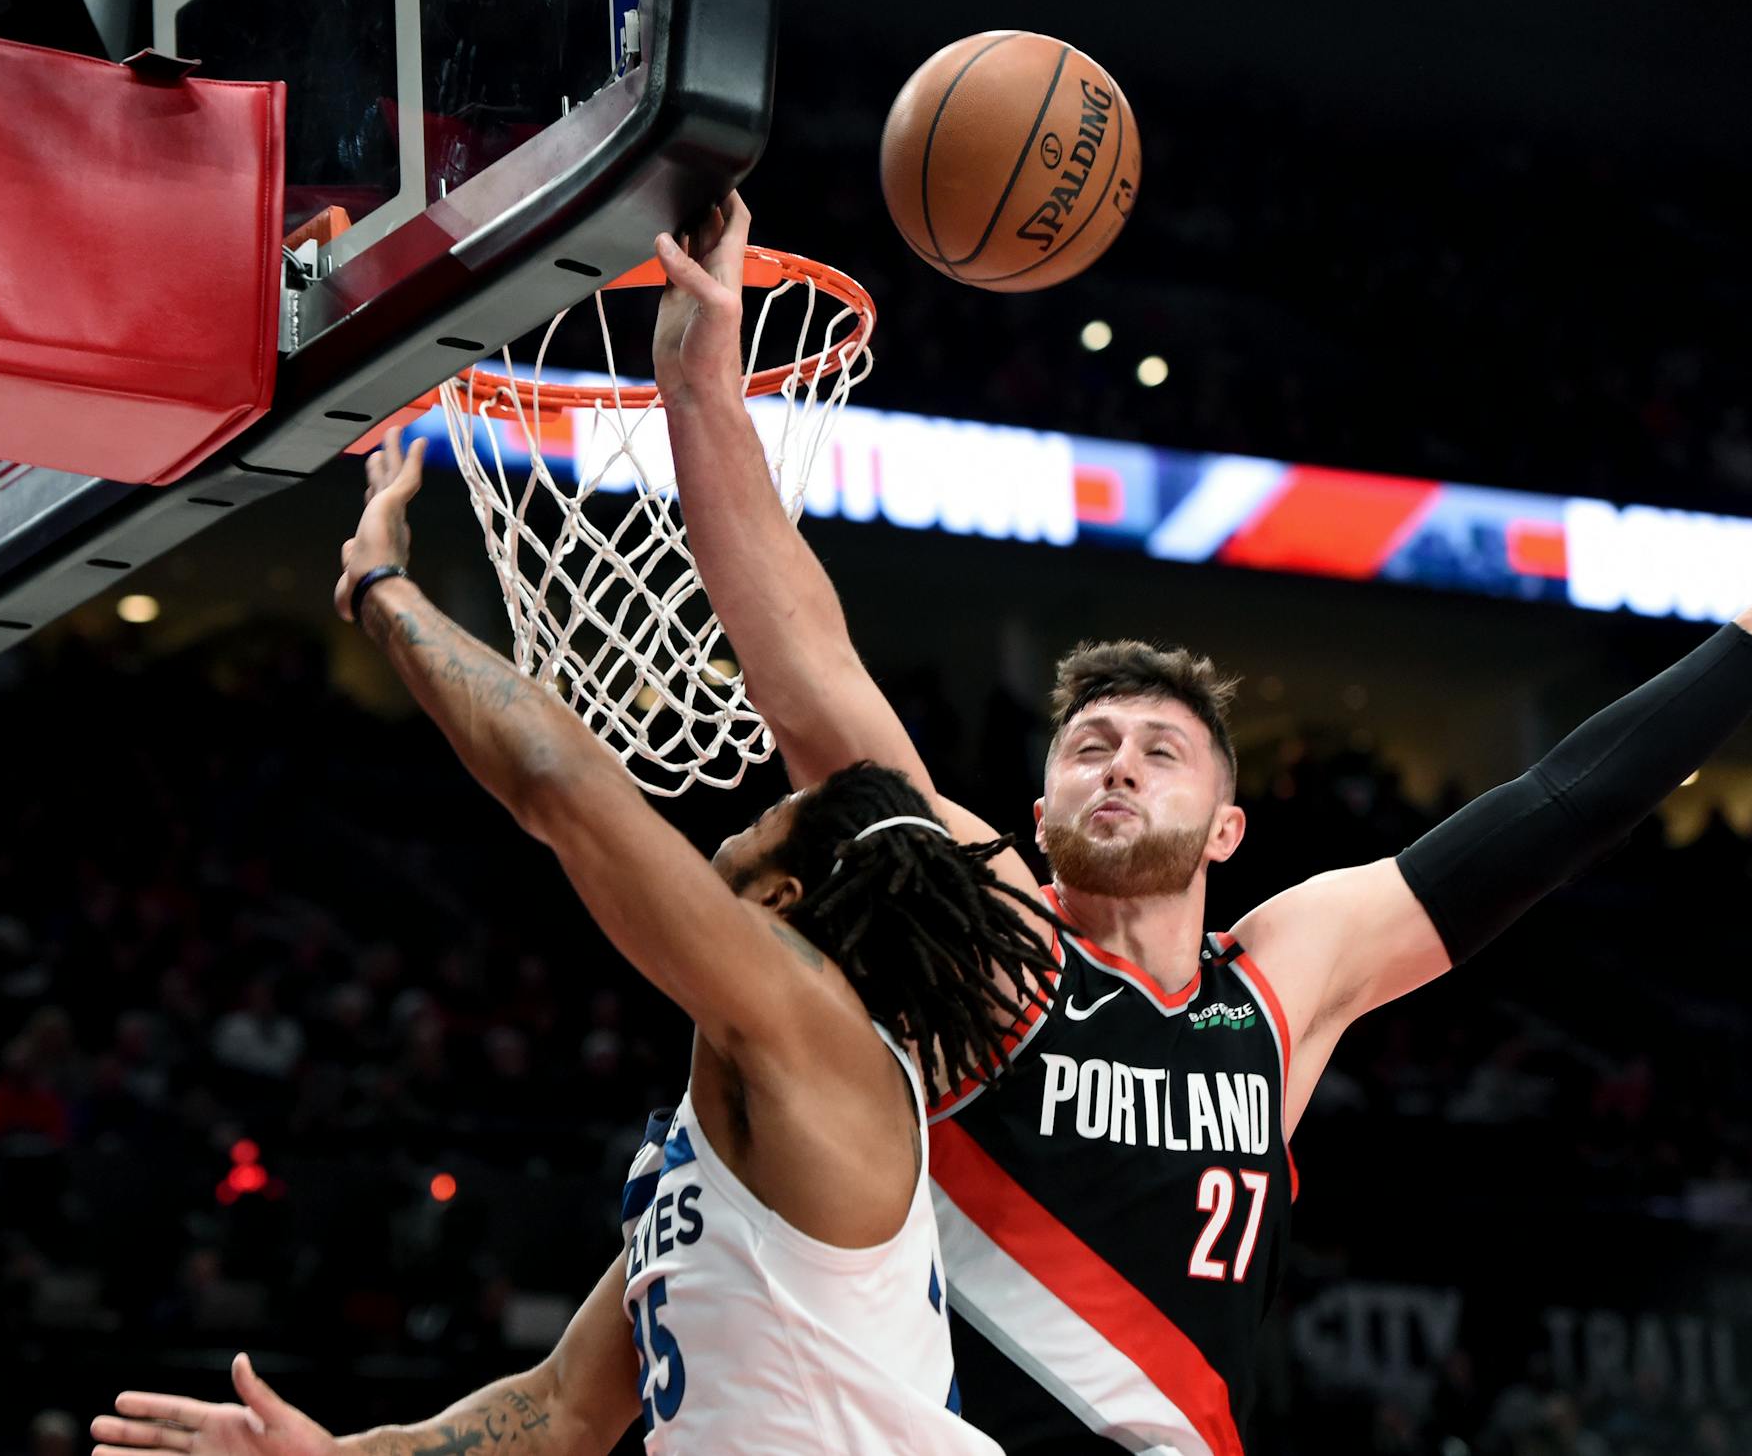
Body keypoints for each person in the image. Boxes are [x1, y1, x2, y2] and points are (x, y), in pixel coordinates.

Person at [642, 192, 1752, 1453]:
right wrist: (703, 394)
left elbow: (1565, 801)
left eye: (1161, 751)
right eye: (1089, 747)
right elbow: (812, 679)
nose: (1118, 766)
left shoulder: (1281, 983)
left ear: (1228, 827)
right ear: (1036, 813)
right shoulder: (987, 936)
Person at [87, 426, 1063, 1456]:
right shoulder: (738, 1134)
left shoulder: (818, 1024)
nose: (738, 818)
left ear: (783, 897)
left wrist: (382, 589)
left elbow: (564, 786)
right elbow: (562, 1408)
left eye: (771, 814)